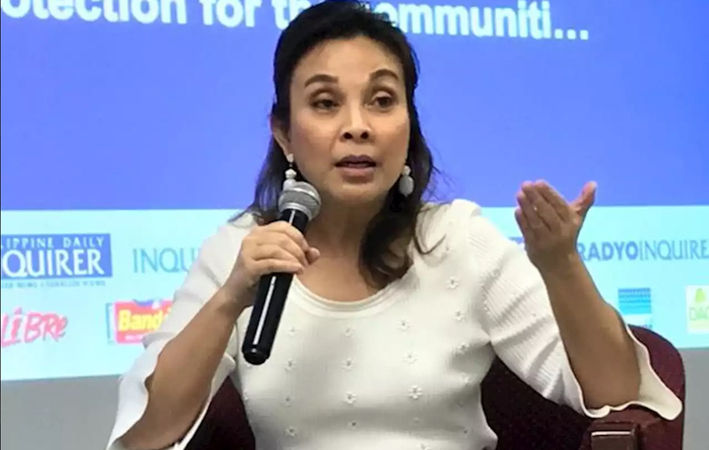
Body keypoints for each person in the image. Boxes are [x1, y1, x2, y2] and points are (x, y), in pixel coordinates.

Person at [106, 1, 681, 449]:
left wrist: (561, 265)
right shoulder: (240, 251)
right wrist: (231, 298)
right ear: (284, 133)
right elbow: (147, 435)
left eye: (382, 100)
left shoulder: (458, 240)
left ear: (408, 124)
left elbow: (617, 393)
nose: (357, 126)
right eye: (325, 103)